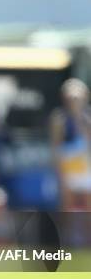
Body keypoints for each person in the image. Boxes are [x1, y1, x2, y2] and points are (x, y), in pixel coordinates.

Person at [50, 78, 91, 211]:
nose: (74, 102)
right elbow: (56, 148)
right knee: (67, 209)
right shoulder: (58, 119)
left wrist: (79, 118)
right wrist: (59, 175)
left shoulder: (88, 118)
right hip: (67, 171)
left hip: (86, 170)